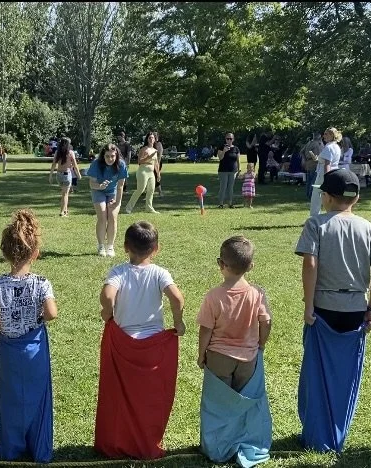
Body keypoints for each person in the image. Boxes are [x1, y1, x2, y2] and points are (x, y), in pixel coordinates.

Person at [295, 169, 371, 453]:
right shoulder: (370, 229)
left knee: (317, 373)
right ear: (356, 198)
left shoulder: (316, 224)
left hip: (323, 307)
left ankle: (314, 434)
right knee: (346, 376)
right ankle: (336, 433)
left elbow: (310, 265)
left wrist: (309, 305)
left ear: (326, 197)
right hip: (355, 309)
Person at [95, 221, 185, 460]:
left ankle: (119, 440)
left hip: (124, 344)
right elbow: (176, 297)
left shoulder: (118, 272)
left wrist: (108, 313)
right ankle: (147, 439)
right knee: (150, 399)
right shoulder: (159, 273)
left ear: (125, 247)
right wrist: (178, 322)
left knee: (120, 397)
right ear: (156, 248)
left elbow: (107, 294)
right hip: (153, 346)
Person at [0, 209, 57, 463]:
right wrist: (36, 318)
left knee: (9, 398)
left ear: (4, 253)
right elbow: (51, 313)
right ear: (35, 253)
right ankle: (39, 449)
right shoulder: (42, 283)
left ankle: (11, 449)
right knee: (39, 397)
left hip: (8, 349)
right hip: (34, 346)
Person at [196, 236, 273, 466]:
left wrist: (201, 354)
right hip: (248, 359)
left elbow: (205, 330)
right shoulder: (257, 294)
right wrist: (261, 343)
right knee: (243, 404)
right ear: (251, 266)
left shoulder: (213, 296)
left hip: (219, 357)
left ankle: (217, 448)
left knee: (217, 406)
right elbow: (266, 321)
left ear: (221, 264)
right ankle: (242, 441)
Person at [88, 144, 129, 257]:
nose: (110, 159)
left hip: (113, 192)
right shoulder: (96, 164)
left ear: (116, 155)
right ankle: (101, 245)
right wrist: (100, 186)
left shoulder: (121, 165)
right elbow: (92, 184)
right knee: (102, 214)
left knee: (112, 216)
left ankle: (110, 246)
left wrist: (117, 202)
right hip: (98, 190)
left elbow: (120, 186)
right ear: (103, 156)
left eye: (112, 156)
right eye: (107, 156)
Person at [308, 127, 342, 217]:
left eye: (326, 134)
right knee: (330, 196)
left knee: (316, 196)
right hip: (333, 172)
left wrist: (327, 178)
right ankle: (333, 214)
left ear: (332, 135)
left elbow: (327, 164)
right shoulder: (336, 146)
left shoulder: (329, 147)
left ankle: (314, 217)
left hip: (325, 174)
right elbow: (325, 160)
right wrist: (317, 158)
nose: (324, 136)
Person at [125, 132, 160, 214]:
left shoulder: (155, 150)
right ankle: (128, 208)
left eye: (152, 138)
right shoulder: (144, 149)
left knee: (151, 190)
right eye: (149, 138)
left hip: (151, 172)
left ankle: (149, 208)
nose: (151, 139)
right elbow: (139, 161)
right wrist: (149, 157)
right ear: (147, 139)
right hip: (143, 171)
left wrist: (158, 174)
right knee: (140, 189)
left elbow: (156, 163)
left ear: (155, 139)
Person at [48, 137, 81, 217]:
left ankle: (65, 210)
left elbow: (53, 164)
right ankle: (62, 211)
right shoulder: (71, 153)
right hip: (66, 174)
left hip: (58, 175)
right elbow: (75, 165)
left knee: (64, 193)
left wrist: (51, 175)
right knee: (65, 194)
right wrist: (78, 175)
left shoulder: (57, 152)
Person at [217, 132, 240, 208]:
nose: (229, 140)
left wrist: (239, 170)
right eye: (228, 138)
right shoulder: (221, 147)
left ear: (233, 139)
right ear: (225, 139)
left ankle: (230, 203)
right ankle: (221, 203)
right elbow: (220, 158)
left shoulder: (236, 148)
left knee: (230, 187)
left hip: (233, 170)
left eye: (231, 139)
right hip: (223, 170)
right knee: (223, 187)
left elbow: (238, 160)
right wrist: (224, 151)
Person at [303, 132, 323, 200]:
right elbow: (318, 155)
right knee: (313, 180)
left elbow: (302, 152)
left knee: (309, 180)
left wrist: (304, 159)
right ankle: (311, 195)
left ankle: (308, 194)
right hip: (315, 163)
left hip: (308, 163)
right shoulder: (317, 144)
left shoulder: (309, 143)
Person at [154, 132, 165, 196]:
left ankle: (160, 192)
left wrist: (157, 164)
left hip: (157, 162)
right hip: (150, 163)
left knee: (156, 176)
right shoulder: (151, 144)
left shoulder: (159, 144)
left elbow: (159, 155)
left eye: (155, 135)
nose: (154, 137)